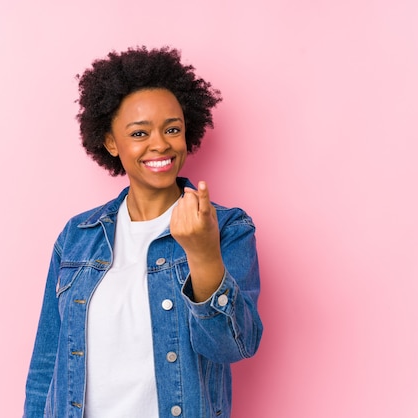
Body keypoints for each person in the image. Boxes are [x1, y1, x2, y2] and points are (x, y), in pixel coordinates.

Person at [23, 46, 263, 418]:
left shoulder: (226, 228)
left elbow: (232, 346)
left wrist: (202, 253)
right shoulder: (77, 236)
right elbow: (46, 366)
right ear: (111, 142)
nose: (160, 144)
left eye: (172, 129)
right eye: (139, 132)